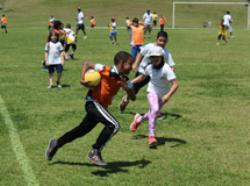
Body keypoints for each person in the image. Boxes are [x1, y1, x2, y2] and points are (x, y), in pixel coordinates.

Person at [45, 51, 136, 166]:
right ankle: (95, 151)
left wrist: (127, 89)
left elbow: (133, 97)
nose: (132, 67)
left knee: (80, 131)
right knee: (114, 125)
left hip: (101, 107)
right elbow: (87, 63)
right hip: (92, 103)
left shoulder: (126, 80)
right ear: (122, 63)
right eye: (130, 64)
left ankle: (56, 143)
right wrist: (82, 78)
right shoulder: (105, 69)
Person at [129, 46, 178, 148]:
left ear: (161, 57)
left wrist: (168, 95)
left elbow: (175, 84)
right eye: (152, 57)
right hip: (151, 92)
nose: (154, 59)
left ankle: (138, 119)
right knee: (155, 110)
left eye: (156, 57)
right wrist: (130, 82)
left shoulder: (166, 69)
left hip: (163, 95)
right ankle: (151, 136)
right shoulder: (149, 67)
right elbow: (142, 77)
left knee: (153, 113)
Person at [120, 31, 176, 112]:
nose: (162, 43)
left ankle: (153, 111)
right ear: (156, 39)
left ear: (167, 41)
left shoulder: (166, 52)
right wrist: (136, 63)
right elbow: (140, 53)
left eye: (164, 41)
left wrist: (171, 73)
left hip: (154, 74)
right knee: (135, 88)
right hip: (143, 71)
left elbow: (172, 65)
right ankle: (126, 98)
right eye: (160, 40)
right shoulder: (149, 46)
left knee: (155, 92)